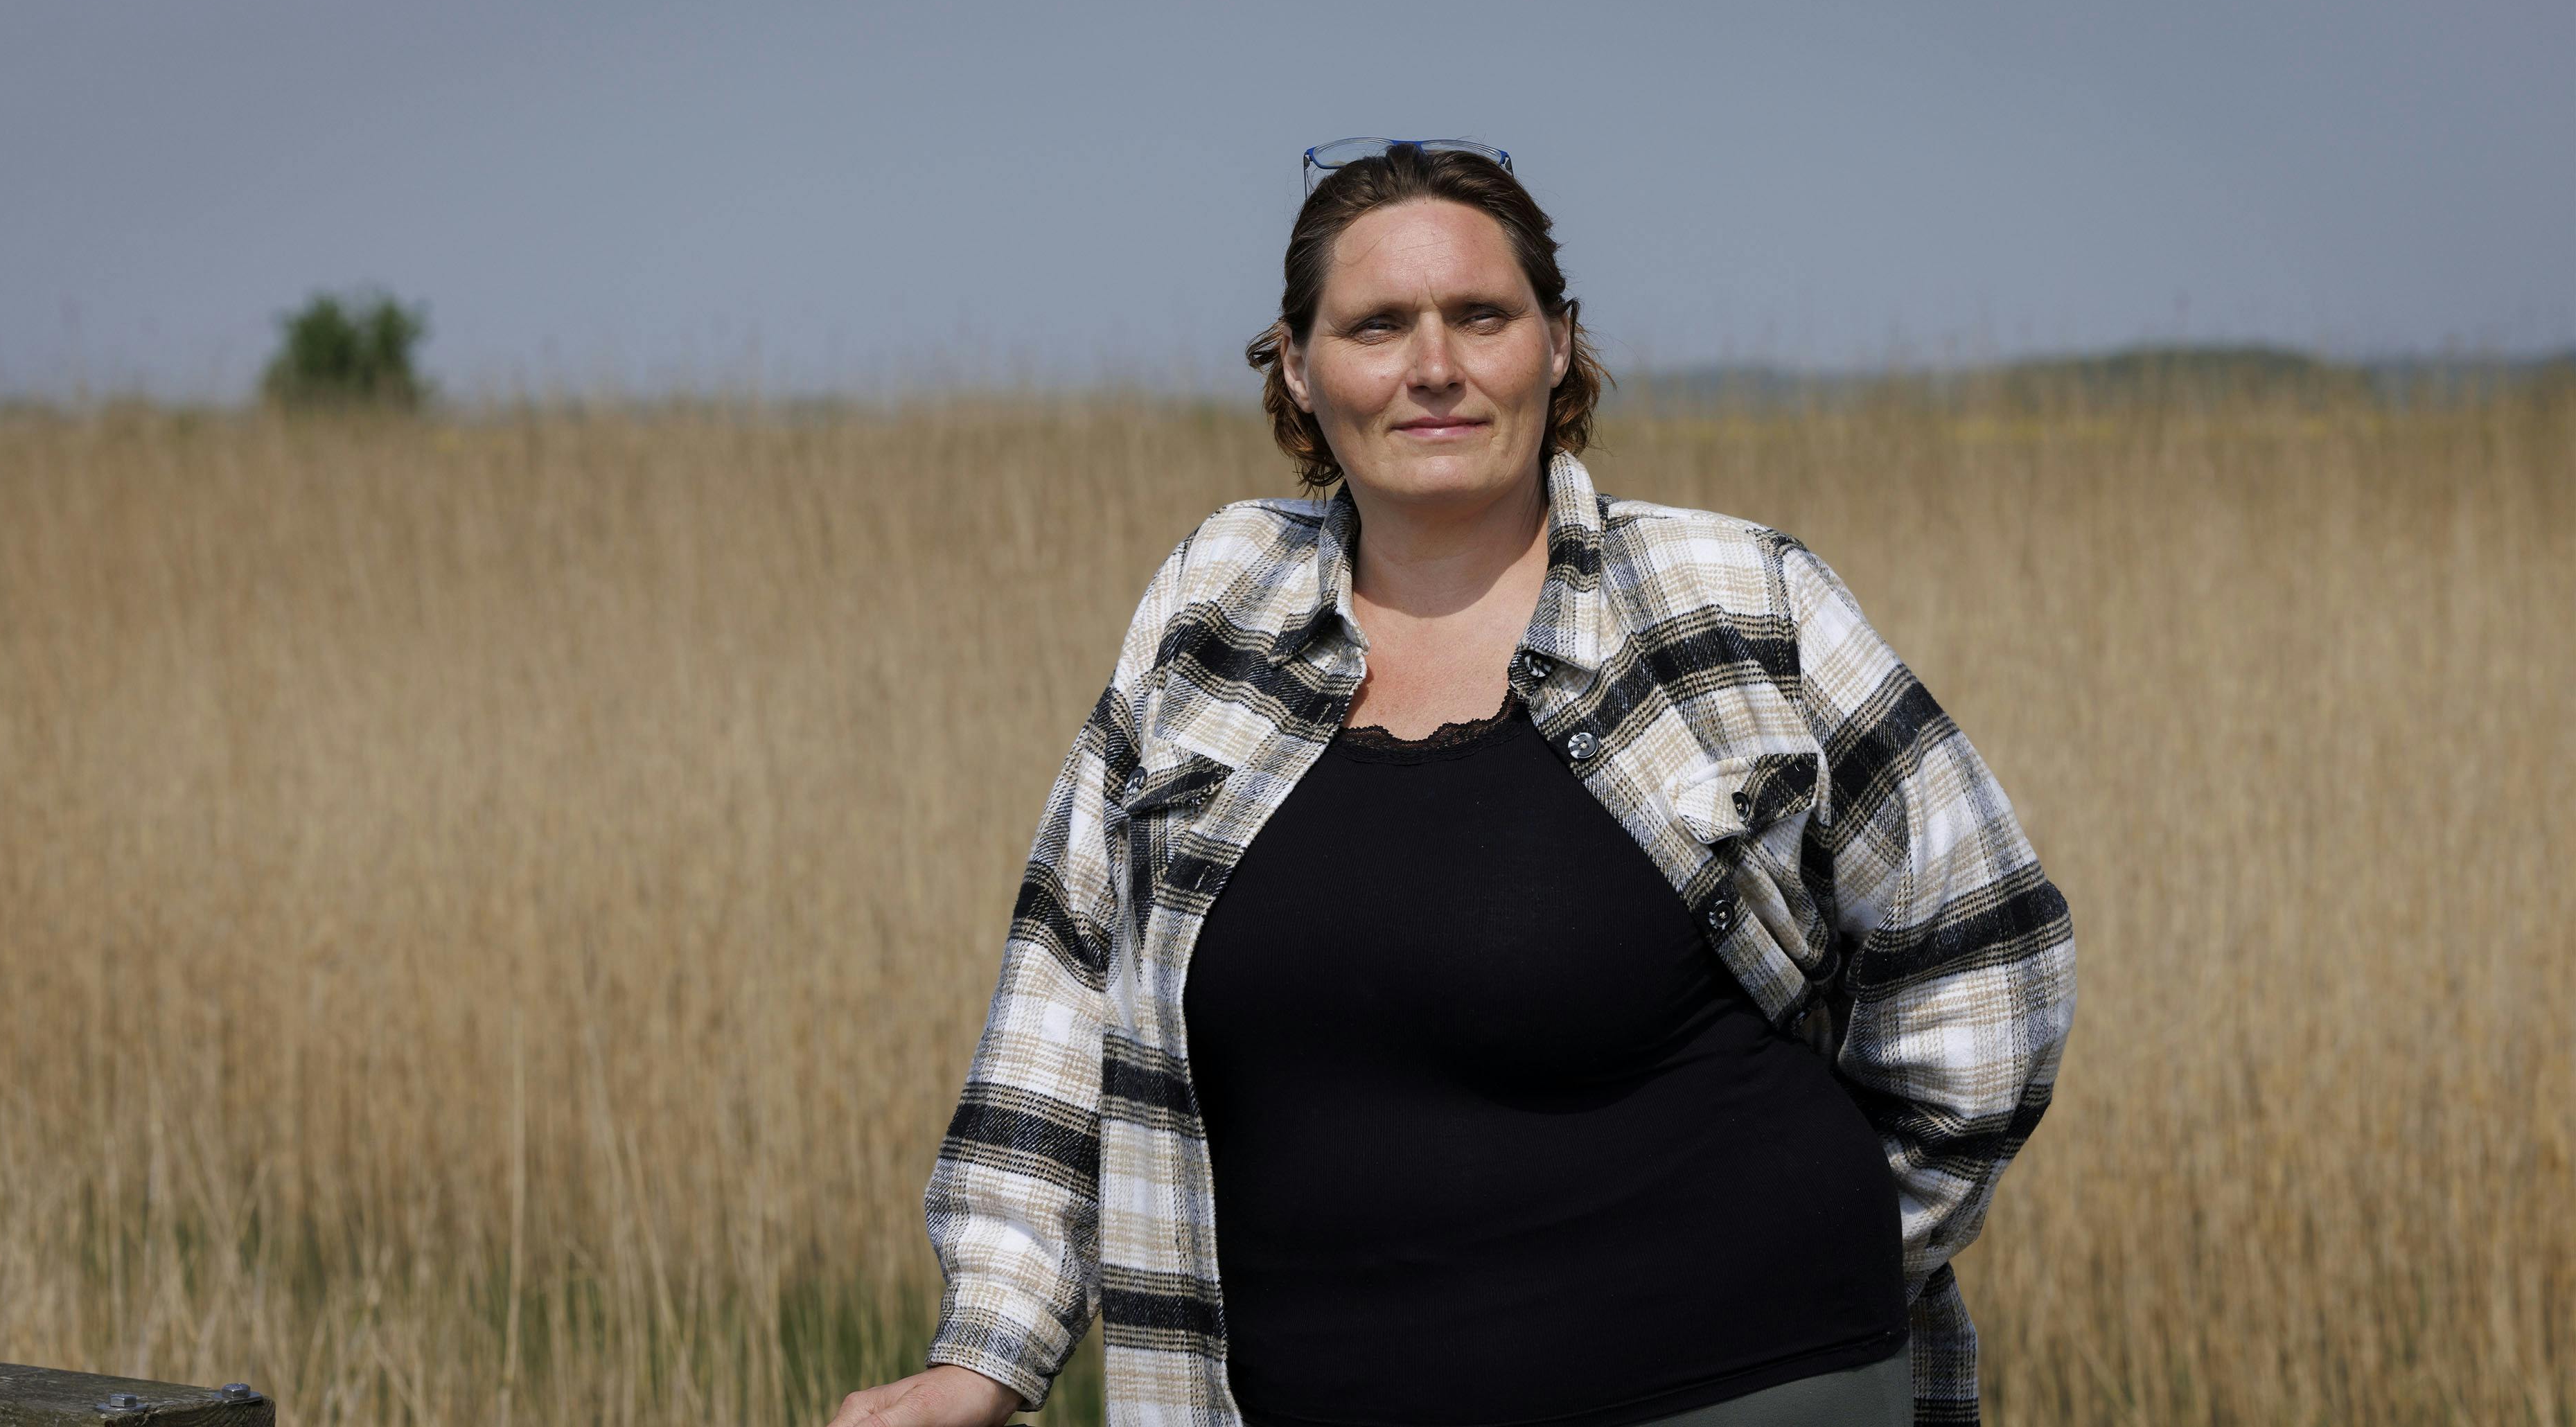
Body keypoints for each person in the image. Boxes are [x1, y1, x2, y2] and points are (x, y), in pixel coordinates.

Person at [832, 141, 2074, 1427]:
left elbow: (1988, 956)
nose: (1434, 366)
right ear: (1300, 369)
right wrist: (986, 1347)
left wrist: (1845, 1250)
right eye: (1377, 325)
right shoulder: (1214, 603)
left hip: (1743, 1382)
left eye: (1481, 316)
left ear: (1556, 345)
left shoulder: (1735, 595)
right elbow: (1065, 983)